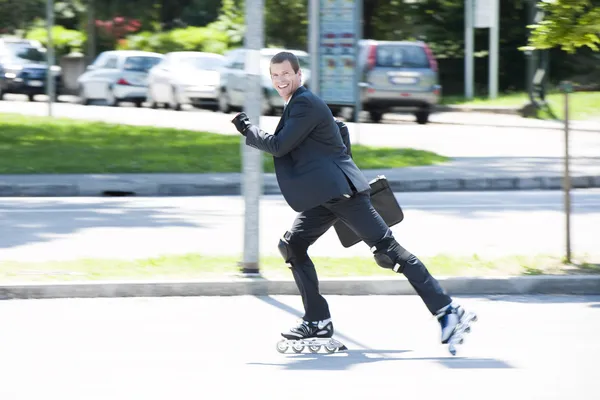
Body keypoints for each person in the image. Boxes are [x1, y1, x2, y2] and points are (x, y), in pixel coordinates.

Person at [230, 51, 475, 350]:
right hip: (326, 195)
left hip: (341, 195)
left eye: (285, 74)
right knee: (292, 244)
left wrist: (247, 129)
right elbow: (338, 134)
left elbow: (280, 146)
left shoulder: (305, 102)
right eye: (275, 75)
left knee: (388, 251)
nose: (280, 80)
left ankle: (448, 311)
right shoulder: (298, 104)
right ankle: (317, 321)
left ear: (298, 75)